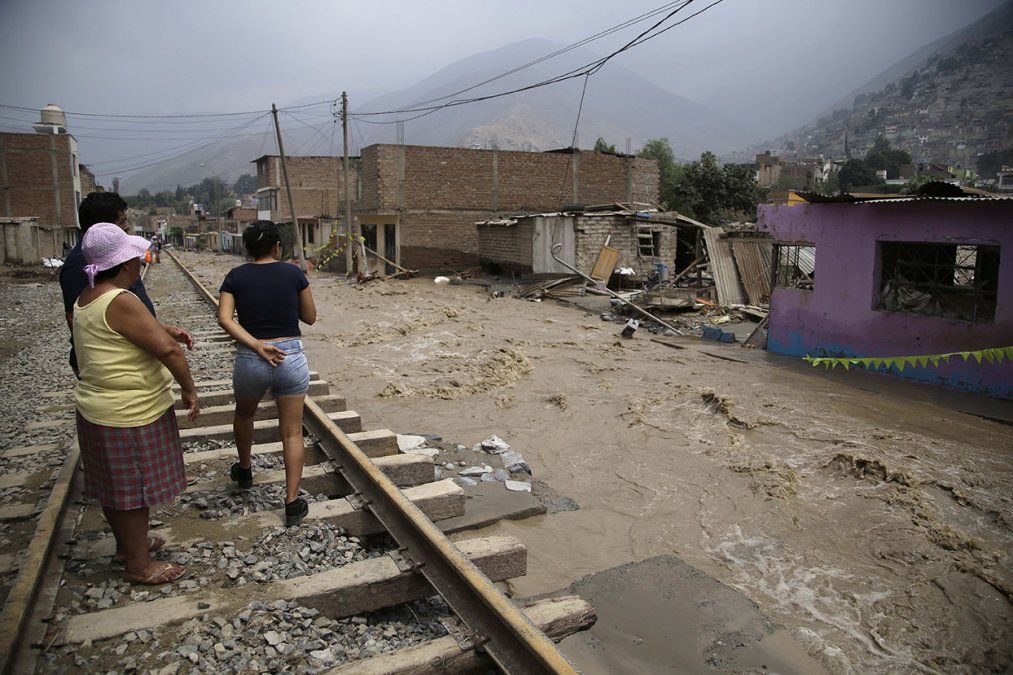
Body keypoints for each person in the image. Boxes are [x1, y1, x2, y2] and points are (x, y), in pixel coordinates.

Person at [73, 223, 200, 585]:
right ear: (126, 262)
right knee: (136, 491)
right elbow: (168, 351)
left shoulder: (89, 295)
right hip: (129, 413)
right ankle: (139, 565)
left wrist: (164, 327)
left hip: (99, 409)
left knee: (117, 488)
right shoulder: (122, 300)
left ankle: (128, 547)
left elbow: (124, 333)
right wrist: (189, 390)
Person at [217, 220, 317, 527]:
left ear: (247, 248)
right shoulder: (293, 273)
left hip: (251, 357)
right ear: (277, 247)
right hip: (289, 357)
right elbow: (310, 317)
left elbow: (224, 318)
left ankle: (245, 470)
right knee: (292, 432)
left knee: (245, 414)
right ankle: (291, 503)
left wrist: (257, 345)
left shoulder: (235, 276)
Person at [60, 192, 192, 376]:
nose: (127, 226)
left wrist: (163, 330)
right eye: (122, 221)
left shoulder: (117, 253)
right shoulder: (80, 264)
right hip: (117, 368)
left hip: (133, 358)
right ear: (103, 227)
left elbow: (125, 318)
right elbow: (80, 322)